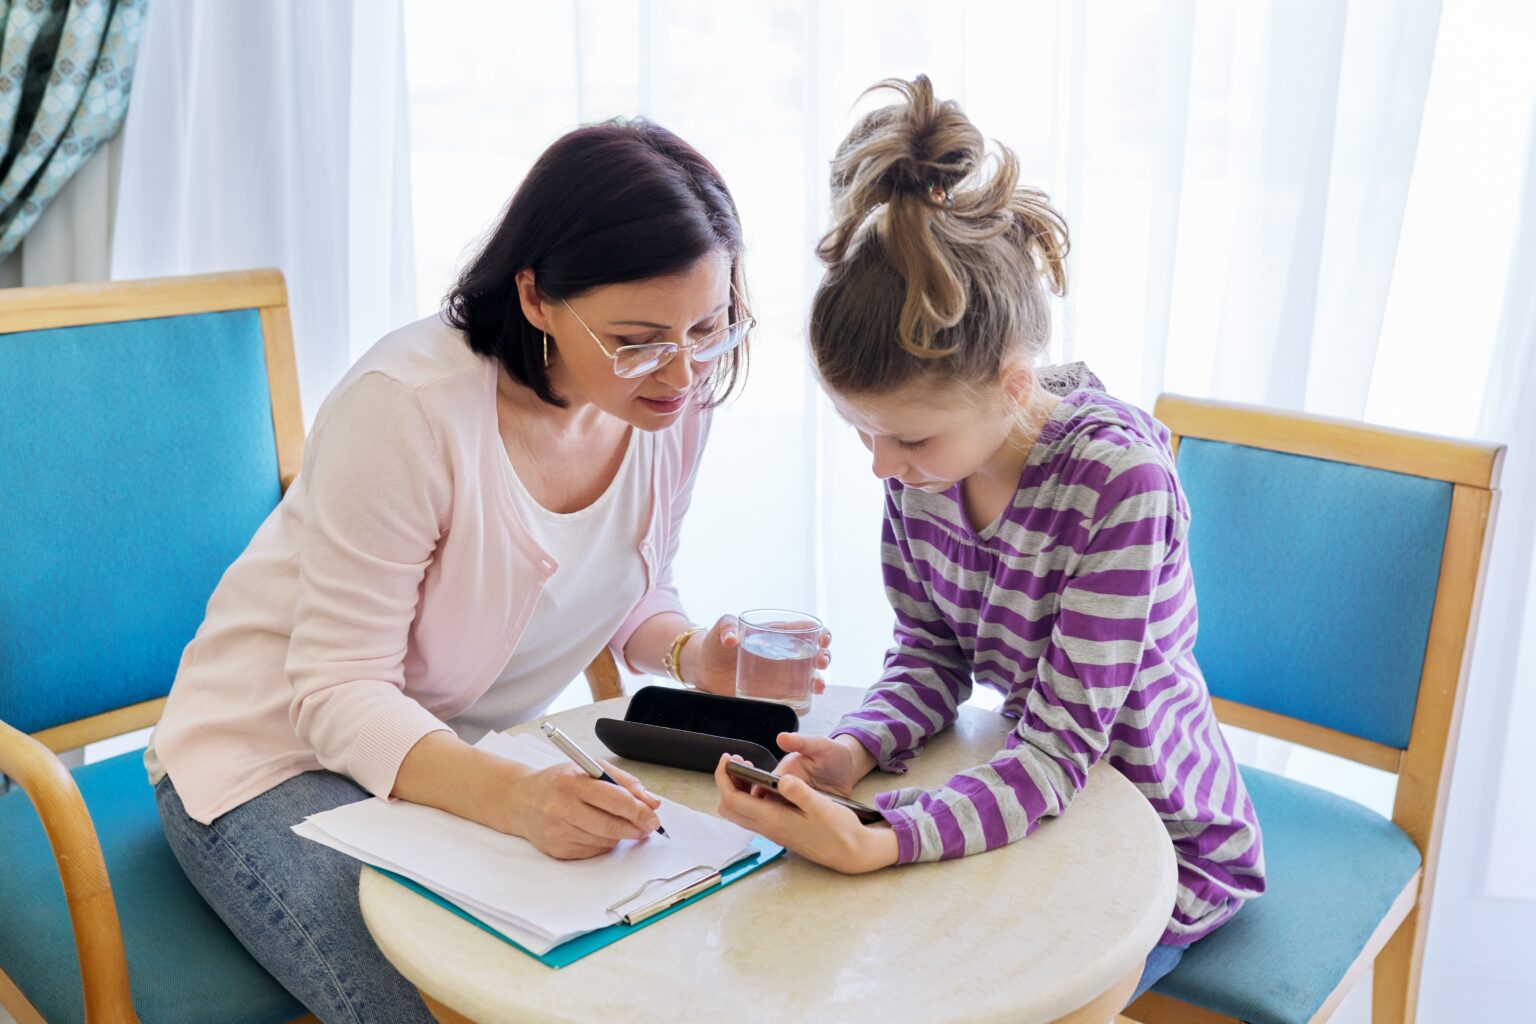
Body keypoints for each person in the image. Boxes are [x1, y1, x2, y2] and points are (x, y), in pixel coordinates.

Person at [149, 117, 828, 1023]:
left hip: (446, 762)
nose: (682, 372)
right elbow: (339, 690)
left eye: (709, 328)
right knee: (438, 1006)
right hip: (268, 760)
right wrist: (516, 798)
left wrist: (693, 654)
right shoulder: (409, 409)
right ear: (537, 297)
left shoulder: (668, 402)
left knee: (640, 969)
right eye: (638, 338)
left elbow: (630, 588)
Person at [713, 76, 1263, 1002]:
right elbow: (931, 653)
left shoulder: (1119, 486)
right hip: (1025, 802)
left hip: (1157, 842)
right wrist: (856, 749)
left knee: (942, 985)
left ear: (1013, 384)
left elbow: (1058, 748)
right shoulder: (925, 470)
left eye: (906, 438)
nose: (880, 466)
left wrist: (883, 838)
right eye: (860, 431)